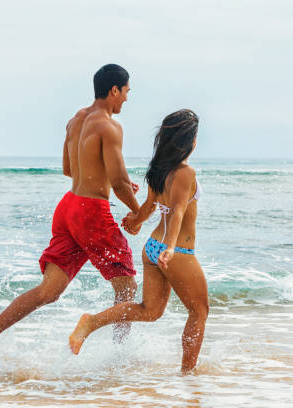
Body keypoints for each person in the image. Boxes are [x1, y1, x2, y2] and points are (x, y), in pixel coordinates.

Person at [0, 64, 140, 372]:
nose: (127, 99)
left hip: (69, 207)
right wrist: (139, 212)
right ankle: (120, 361)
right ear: (114, 90)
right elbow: (118, 183)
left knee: (48, 291)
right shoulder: (110, 126)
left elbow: (69, 169)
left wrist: (112, 182)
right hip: (91, 212)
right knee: (126, 287)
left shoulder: (75, 119)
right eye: (127, 92)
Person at [68, 109, 208, 374]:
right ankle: (188, 375)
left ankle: (91, 322)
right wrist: (169, 248)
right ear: (190, 141)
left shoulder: (159, 171)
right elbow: (177, 212)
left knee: (150, 310)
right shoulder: (185, 173)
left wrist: (135, 221)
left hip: (152, 249)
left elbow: (149, 206)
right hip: (175, 251)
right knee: (199, 310)